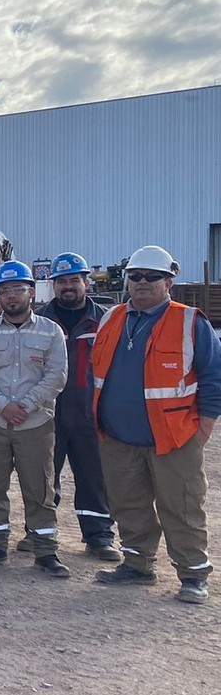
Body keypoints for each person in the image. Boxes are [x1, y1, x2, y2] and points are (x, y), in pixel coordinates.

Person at [92, 245, 221, 605]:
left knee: (182, 505)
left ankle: (193, 574)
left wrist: (205, 427)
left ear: (169, 281)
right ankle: (137, 565)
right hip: (118, 437)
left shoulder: (189, 321)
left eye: (153, 276)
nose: (143, 282)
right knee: (128, 504)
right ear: (127, 280)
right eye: (136, 276)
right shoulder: (111, 318)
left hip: (174, 437)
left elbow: (213, 377)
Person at [0, 261, 69, 575]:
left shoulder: (51, 331)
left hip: (35, 422)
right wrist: (3, 406)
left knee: (39, 488)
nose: (11, 295)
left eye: (18, 289)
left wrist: (25, 405)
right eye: (5, 290)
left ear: (31, 292)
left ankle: (46, 551)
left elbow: (56, 375)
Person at [35, 252, 120, 561]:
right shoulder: (38, 321)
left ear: (86, 282)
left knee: (94, 477)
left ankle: (99, 535)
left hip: (90, 411)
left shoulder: (106, 321)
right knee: (43, 476)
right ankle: (40, 533)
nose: (68, 286)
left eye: (74, 280)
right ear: (53, 285)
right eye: (61, 281)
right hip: (47, 412)